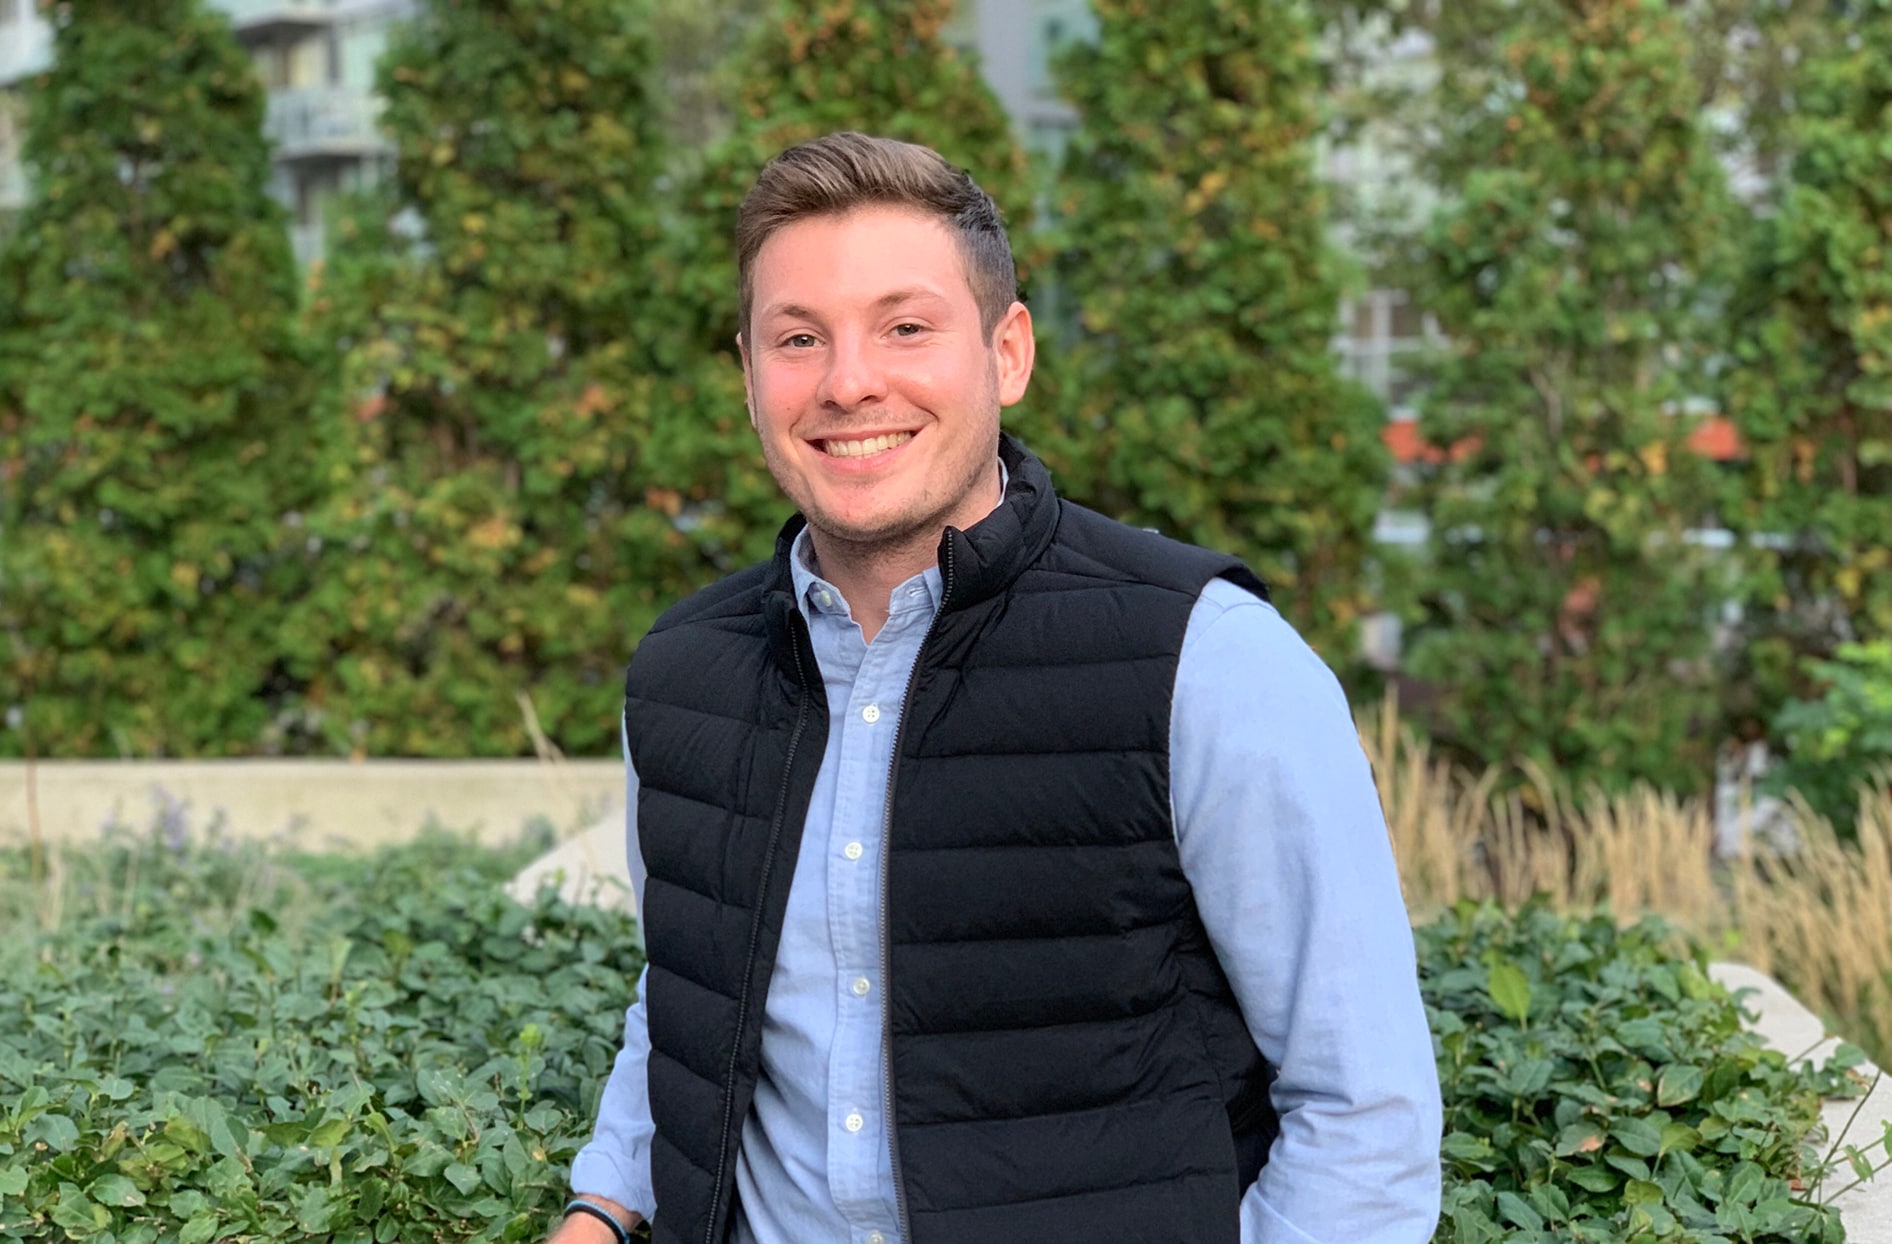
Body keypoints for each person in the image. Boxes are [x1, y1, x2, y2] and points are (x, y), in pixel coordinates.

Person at [549, 131, 1441, 1244]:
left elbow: (1363, 1114)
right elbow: (686, 1003)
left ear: (1007, 352)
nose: (847, 381)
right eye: (796, 338)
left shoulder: (1209, 661)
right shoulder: (683, 678)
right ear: (746, 373)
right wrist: (601, 1204)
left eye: (905, 325)